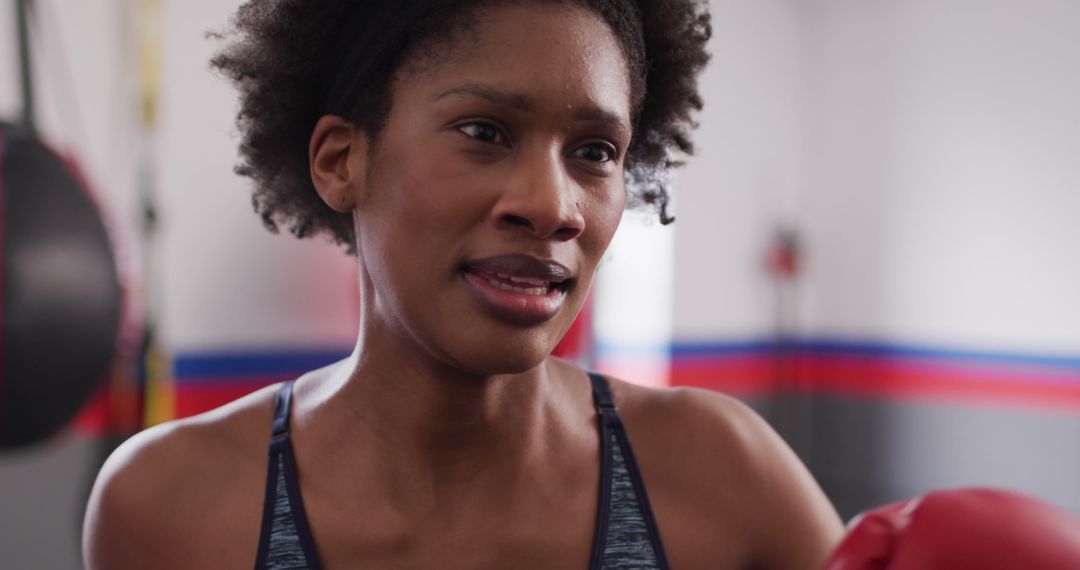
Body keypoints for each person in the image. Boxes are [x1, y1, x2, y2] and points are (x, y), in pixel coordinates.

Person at [83, 0, 843, 568]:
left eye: (593, 151)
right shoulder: (172, 509)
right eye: (485, 132)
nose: (552, 207)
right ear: (342, 161)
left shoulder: (725, 479)